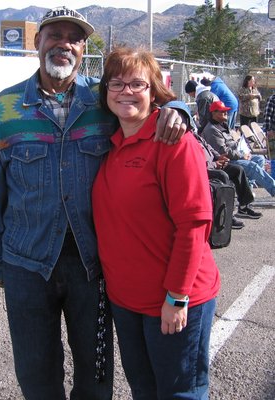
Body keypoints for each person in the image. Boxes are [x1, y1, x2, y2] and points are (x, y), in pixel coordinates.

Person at [0, 7, 191, 400]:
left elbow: (147, 106)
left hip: (94, 265)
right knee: (36, 374)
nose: (63, 44)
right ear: (38, 42)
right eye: (54, 35)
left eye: (73, 38)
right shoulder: (3, 110)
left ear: (83, 48)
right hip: (26, 263)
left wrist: (180, 111)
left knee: (96, 373)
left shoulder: (103, 103)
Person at [93, 47, 220, 399]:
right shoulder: (112, 143)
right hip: (127, 302)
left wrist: (177, 296)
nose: (126, 92)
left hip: (175, 299)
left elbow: (194, 226)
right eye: (116, 84)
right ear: (105, 92)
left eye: (137, 83)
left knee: (180, 392)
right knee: (144, 390)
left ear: (154, 90)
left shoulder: (173, 142)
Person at [202, 101, 275, 199]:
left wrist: (245, 152)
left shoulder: (222, 125)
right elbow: (224, 152)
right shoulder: (212, 130)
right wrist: (242, 155)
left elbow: (232, 145)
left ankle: (248, 190)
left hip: (236, 155)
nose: (226, 113)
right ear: (213, 113)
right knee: (252, 166)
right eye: (222, 111)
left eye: (226, 111)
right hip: (225, 161)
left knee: (260, 159)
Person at [195, 133, 262, 228]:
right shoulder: (210, 130)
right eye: (224, 116)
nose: (226, 117)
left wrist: (219, 157)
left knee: (238, 170)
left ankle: (244, 207)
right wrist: (215, 164)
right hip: (203, 170)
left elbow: (210, 149)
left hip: (214, 164)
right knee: (222, 175)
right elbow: (195, 162)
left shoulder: (196, 135)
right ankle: (227, 216)